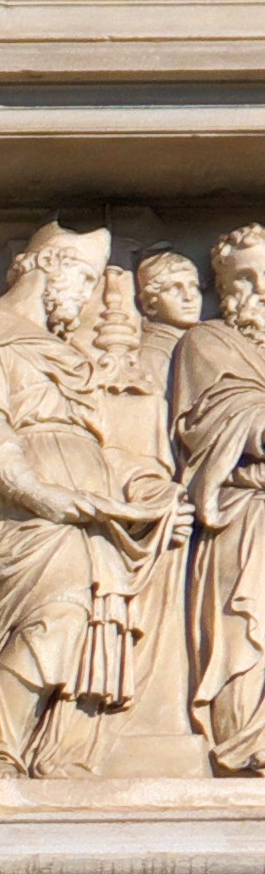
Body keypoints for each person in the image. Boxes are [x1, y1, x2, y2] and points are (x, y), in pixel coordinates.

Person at [0, 222, 173, 779]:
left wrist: (145, 488)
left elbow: (99, 441)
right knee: (52, 615)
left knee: (92, 624)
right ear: (48, 265)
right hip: (34, 507)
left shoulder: (64, 354)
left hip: (90, 503)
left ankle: (59, 754)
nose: (83, 298)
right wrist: (39, 492)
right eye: (81, 280)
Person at [179, 224, 265, 775]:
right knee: (248, 627)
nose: (261, 291)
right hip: (247, 513)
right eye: (247, 279)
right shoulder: (207, 342)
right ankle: (250, 742)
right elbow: (218, 420)